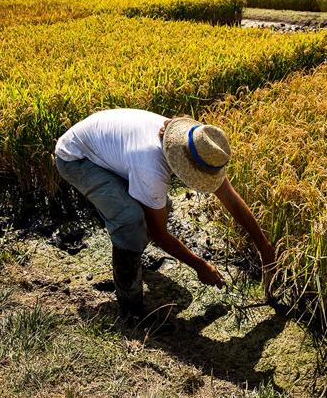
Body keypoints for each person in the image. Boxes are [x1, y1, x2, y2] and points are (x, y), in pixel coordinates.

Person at [54, 108, 276, 321]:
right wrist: (200, 266)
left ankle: (135, 257)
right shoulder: (151, 167)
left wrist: (264, 247)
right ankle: (131, 309)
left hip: (107, 147)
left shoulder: (199, 144)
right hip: (76, 158)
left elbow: (230, 198)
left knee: (162, 206)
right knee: (130, 220)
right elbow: (158, 234)